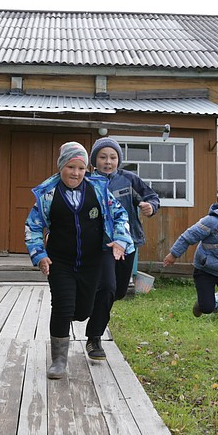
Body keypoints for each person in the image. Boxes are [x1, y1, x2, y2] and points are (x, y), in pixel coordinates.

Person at [25, 141, 133, 380]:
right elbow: (32, 227)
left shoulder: (99, 190)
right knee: (63, 306)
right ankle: (59, 361)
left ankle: (85, 329)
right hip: (59, 260)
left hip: (91, 261)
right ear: (61, 167)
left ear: (87, 170)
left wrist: (121, 240)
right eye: (71, 167)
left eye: (81, 168)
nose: (75, 173)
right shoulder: (47, 194)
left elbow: (120, 214)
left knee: (83, 311)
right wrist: (39, 254)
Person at [86, 137, 160, 355]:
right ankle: (94, 338)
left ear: (118, 159)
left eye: (113, 157)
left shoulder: (129, 180)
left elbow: (152, 197)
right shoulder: (87, 181)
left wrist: (150, 207)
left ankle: (98, 304)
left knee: (118, 291)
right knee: (107, 286)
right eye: (102, 157)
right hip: (102, 244)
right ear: (94, 160)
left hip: (128, 242)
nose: (108, 161)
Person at [161, 193, 218, 342]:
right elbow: (188, 236)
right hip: (205, 269)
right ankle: (201, 303)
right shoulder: (212, 222)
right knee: (207, 307)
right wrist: (174, 254)